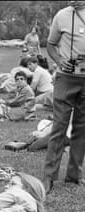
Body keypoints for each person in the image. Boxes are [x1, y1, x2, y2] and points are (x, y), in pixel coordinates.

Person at [43, 1, 85, 192]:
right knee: (59, 127)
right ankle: (49, 177)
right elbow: (50, 45)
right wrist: (60, 61)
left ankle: (74, 175)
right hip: (66, 78)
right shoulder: (61, 15)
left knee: (82, 128)